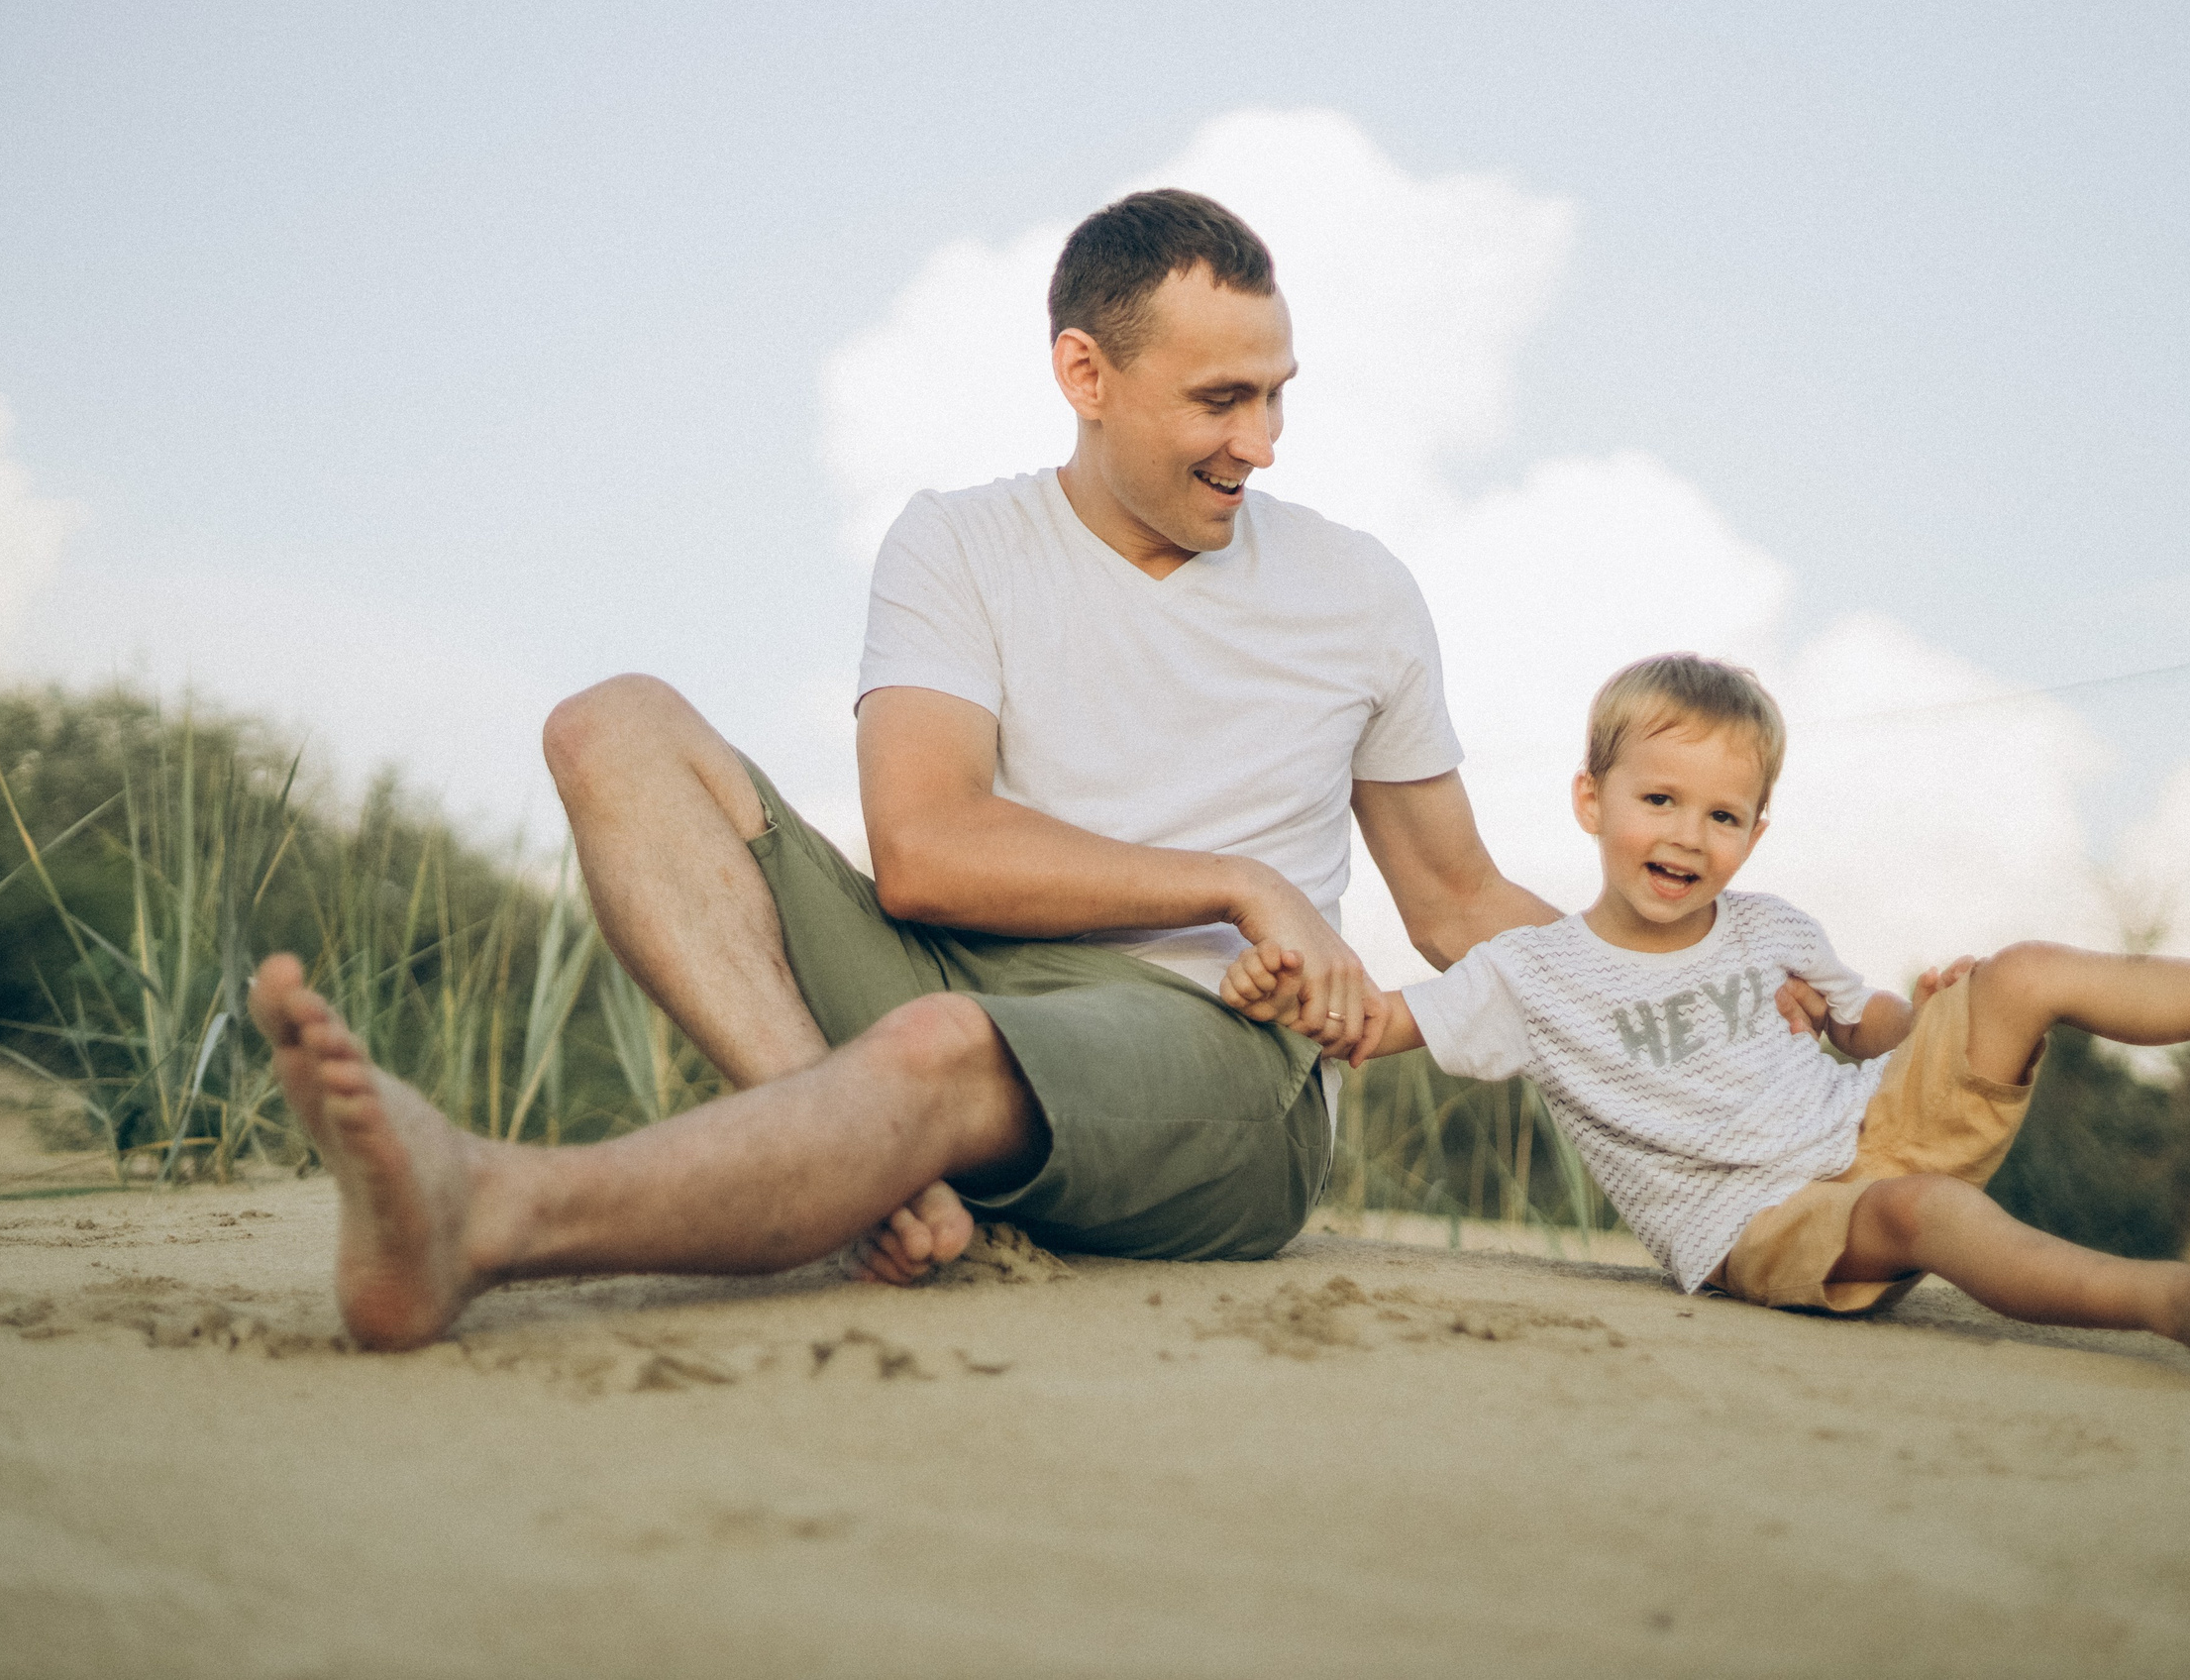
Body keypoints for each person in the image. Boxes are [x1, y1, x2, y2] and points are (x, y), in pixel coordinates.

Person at [252, 188, 1563, 1351]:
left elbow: (1455, 902)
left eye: (1277, 391)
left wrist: (1720, 967)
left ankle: (483, 1213)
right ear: (1085, 372)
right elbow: (926, 851)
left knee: (936, 1044)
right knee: (612, 726)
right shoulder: (957, 540)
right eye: (1221, 399)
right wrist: (1236, 876)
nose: (1263, 440)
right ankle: (852, 1169)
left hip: (1223, 1057)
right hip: (958, 970)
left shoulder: (1359, 592)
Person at [1217, 652, 2190, 1363]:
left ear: (1754, 833)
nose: (1686, 835)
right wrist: (1293, 987)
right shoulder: (1532, 973)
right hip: (1760, 1223)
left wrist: (1932, 1012)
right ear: (1591, 801)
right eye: (1659, 799)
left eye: (1721, 816)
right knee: (1924, 1210)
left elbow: (1874, 1029)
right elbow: (1376, 1025)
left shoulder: (1773, 926)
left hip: (1873, 1120)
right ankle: (2167, 1300)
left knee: (2028, 969)